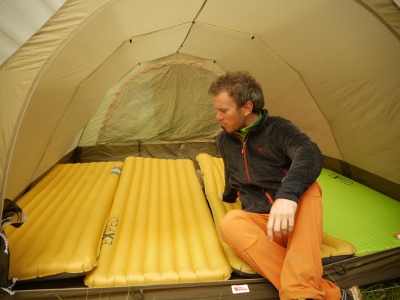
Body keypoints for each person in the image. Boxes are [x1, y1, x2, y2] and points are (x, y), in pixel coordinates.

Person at [209, 71, 362, 300]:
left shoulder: (277, 129)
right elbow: (232, 169)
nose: (217, 117)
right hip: (263, 224)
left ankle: (299, 294)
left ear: (247, 107)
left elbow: (309, 153)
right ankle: (328, 294)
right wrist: (229, 196)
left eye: (223, 110)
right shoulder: (224, 139)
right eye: (217, 110)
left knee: (310, 187)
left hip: (295, 219)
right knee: (230, 223)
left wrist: (288, 196)